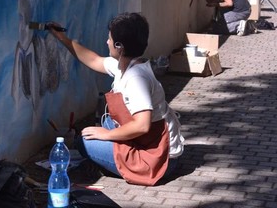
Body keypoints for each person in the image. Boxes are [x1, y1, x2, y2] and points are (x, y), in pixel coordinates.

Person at [48, 13, 184, 186]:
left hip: (159, 159)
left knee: (83, 141)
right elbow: (93, 59)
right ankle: (112, 155)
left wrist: (108, 135)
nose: (107, 42)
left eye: (109, 38)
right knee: (106, 123)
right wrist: (62, 38)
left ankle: (123, 165)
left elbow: (142, 125)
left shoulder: (136, 79)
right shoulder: (126, 64)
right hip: (154, 145)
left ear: (119, 46)